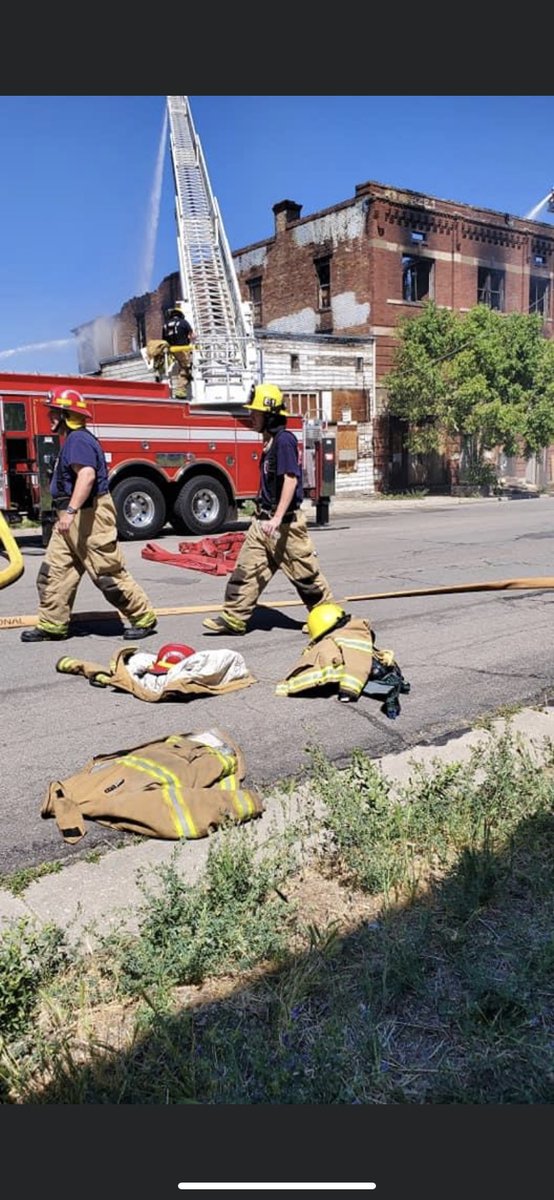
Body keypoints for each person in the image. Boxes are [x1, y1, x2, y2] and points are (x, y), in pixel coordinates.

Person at [21, 388, 158, 643]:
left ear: (67, 415)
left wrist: (70, 512)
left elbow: (86, 476)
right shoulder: (72, 440)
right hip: (71, 518)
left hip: (88, 515)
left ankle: (143, 617)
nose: (50, 415)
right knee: (54, 572)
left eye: (55, 411)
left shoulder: (78, 441)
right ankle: (53, 624)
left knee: (107, 573)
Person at [203, 382, 335, 636]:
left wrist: (276, 518)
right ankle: (234, 618)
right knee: (246, 570)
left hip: (284, 525)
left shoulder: (284, 441)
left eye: (255, 413)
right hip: (262, 523)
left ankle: (328, 617)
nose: (250, 417)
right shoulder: (271, 441)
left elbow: (290, 479)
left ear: (270, 414)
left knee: (305, 576)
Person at [146, 302, 195, 398]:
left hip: (170, 351)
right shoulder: (183, 322)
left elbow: (164, 340)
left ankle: (165, 385)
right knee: (186, 368)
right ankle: (181, 390)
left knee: (166, 368)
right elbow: (193, 335)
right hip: (183, 349)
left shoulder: (165, 325)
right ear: (180, 315)